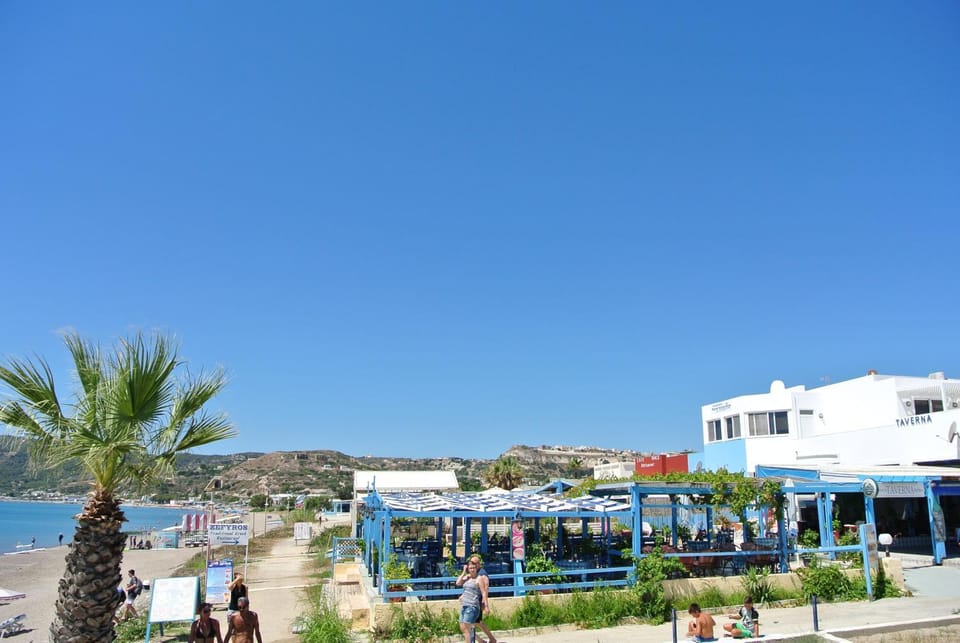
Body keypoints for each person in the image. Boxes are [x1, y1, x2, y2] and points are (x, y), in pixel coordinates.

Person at [456, 558, 491, 643]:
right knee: (463, 627)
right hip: (464, 605)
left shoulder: (479, 578)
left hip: (472, 606)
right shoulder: (467, 578)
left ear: (476, 568)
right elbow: (458, 583)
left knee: (468, 628)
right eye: (470, 568)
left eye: (473, 568)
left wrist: (486, 605)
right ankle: (480, 641)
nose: (472, 569)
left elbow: (484, 592)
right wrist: (464, 572)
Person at [468, 555, 498, 643]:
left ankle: (484, 640)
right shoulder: (475, 573)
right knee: (476, 622)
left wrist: (486, 605)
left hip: (477, 602)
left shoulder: (482, 574)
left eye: (474, 563)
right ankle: (487, 639)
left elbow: (485, 590)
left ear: (478, 564)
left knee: (471, 623)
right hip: (472, 601)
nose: (472, 565)